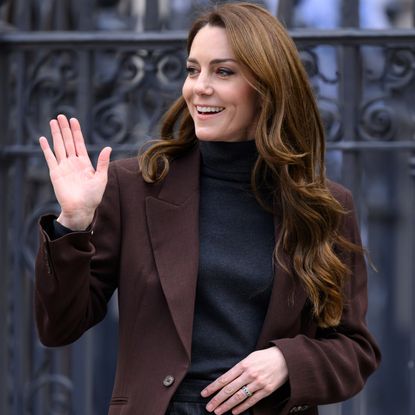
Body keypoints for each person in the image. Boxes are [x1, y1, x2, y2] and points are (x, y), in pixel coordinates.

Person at [35, 2, 380, 415]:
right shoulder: (135, 188)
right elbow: (60, 327)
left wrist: (288, 361)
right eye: (193, 69)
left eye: (224, 71)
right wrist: (72, 224)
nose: (199, 87)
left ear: (267, 86)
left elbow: (355, 351)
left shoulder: (325, 205)